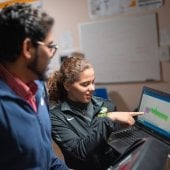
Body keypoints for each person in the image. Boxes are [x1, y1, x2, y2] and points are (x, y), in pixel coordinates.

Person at [0, 3, 68, 170]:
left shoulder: (37, 89)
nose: (52, 55)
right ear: (28, 48)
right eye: (50, 46)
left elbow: (47, 158)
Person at [47, 52, 143, 170]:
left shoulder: (107, 106)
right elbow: (80, 152)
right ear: (67, 86)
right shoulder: (56, 117)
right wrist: (108, 119)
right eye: (85, 84)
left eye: (93, 82)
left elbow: (118, 145)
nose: (92, 88)